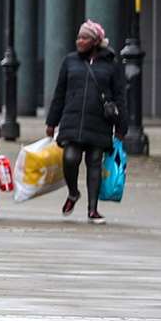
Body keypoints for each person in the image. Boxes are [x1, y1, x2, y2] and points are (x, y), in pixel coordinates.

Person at [45, 19, 128, 223]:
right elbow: (60, 93)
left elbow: (119, 96)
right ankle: (73, 193)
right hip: (72, 121)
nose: (79, 41)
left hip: (99, 122)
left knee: (94, 163)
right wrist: (51, 121)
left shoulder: (110, 65)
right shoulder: (70, 61)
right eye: (78, 37)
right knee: (70, 158)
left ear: (95, 41)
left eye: (84, 38)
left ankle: (93, 209)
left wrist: (121, 126)